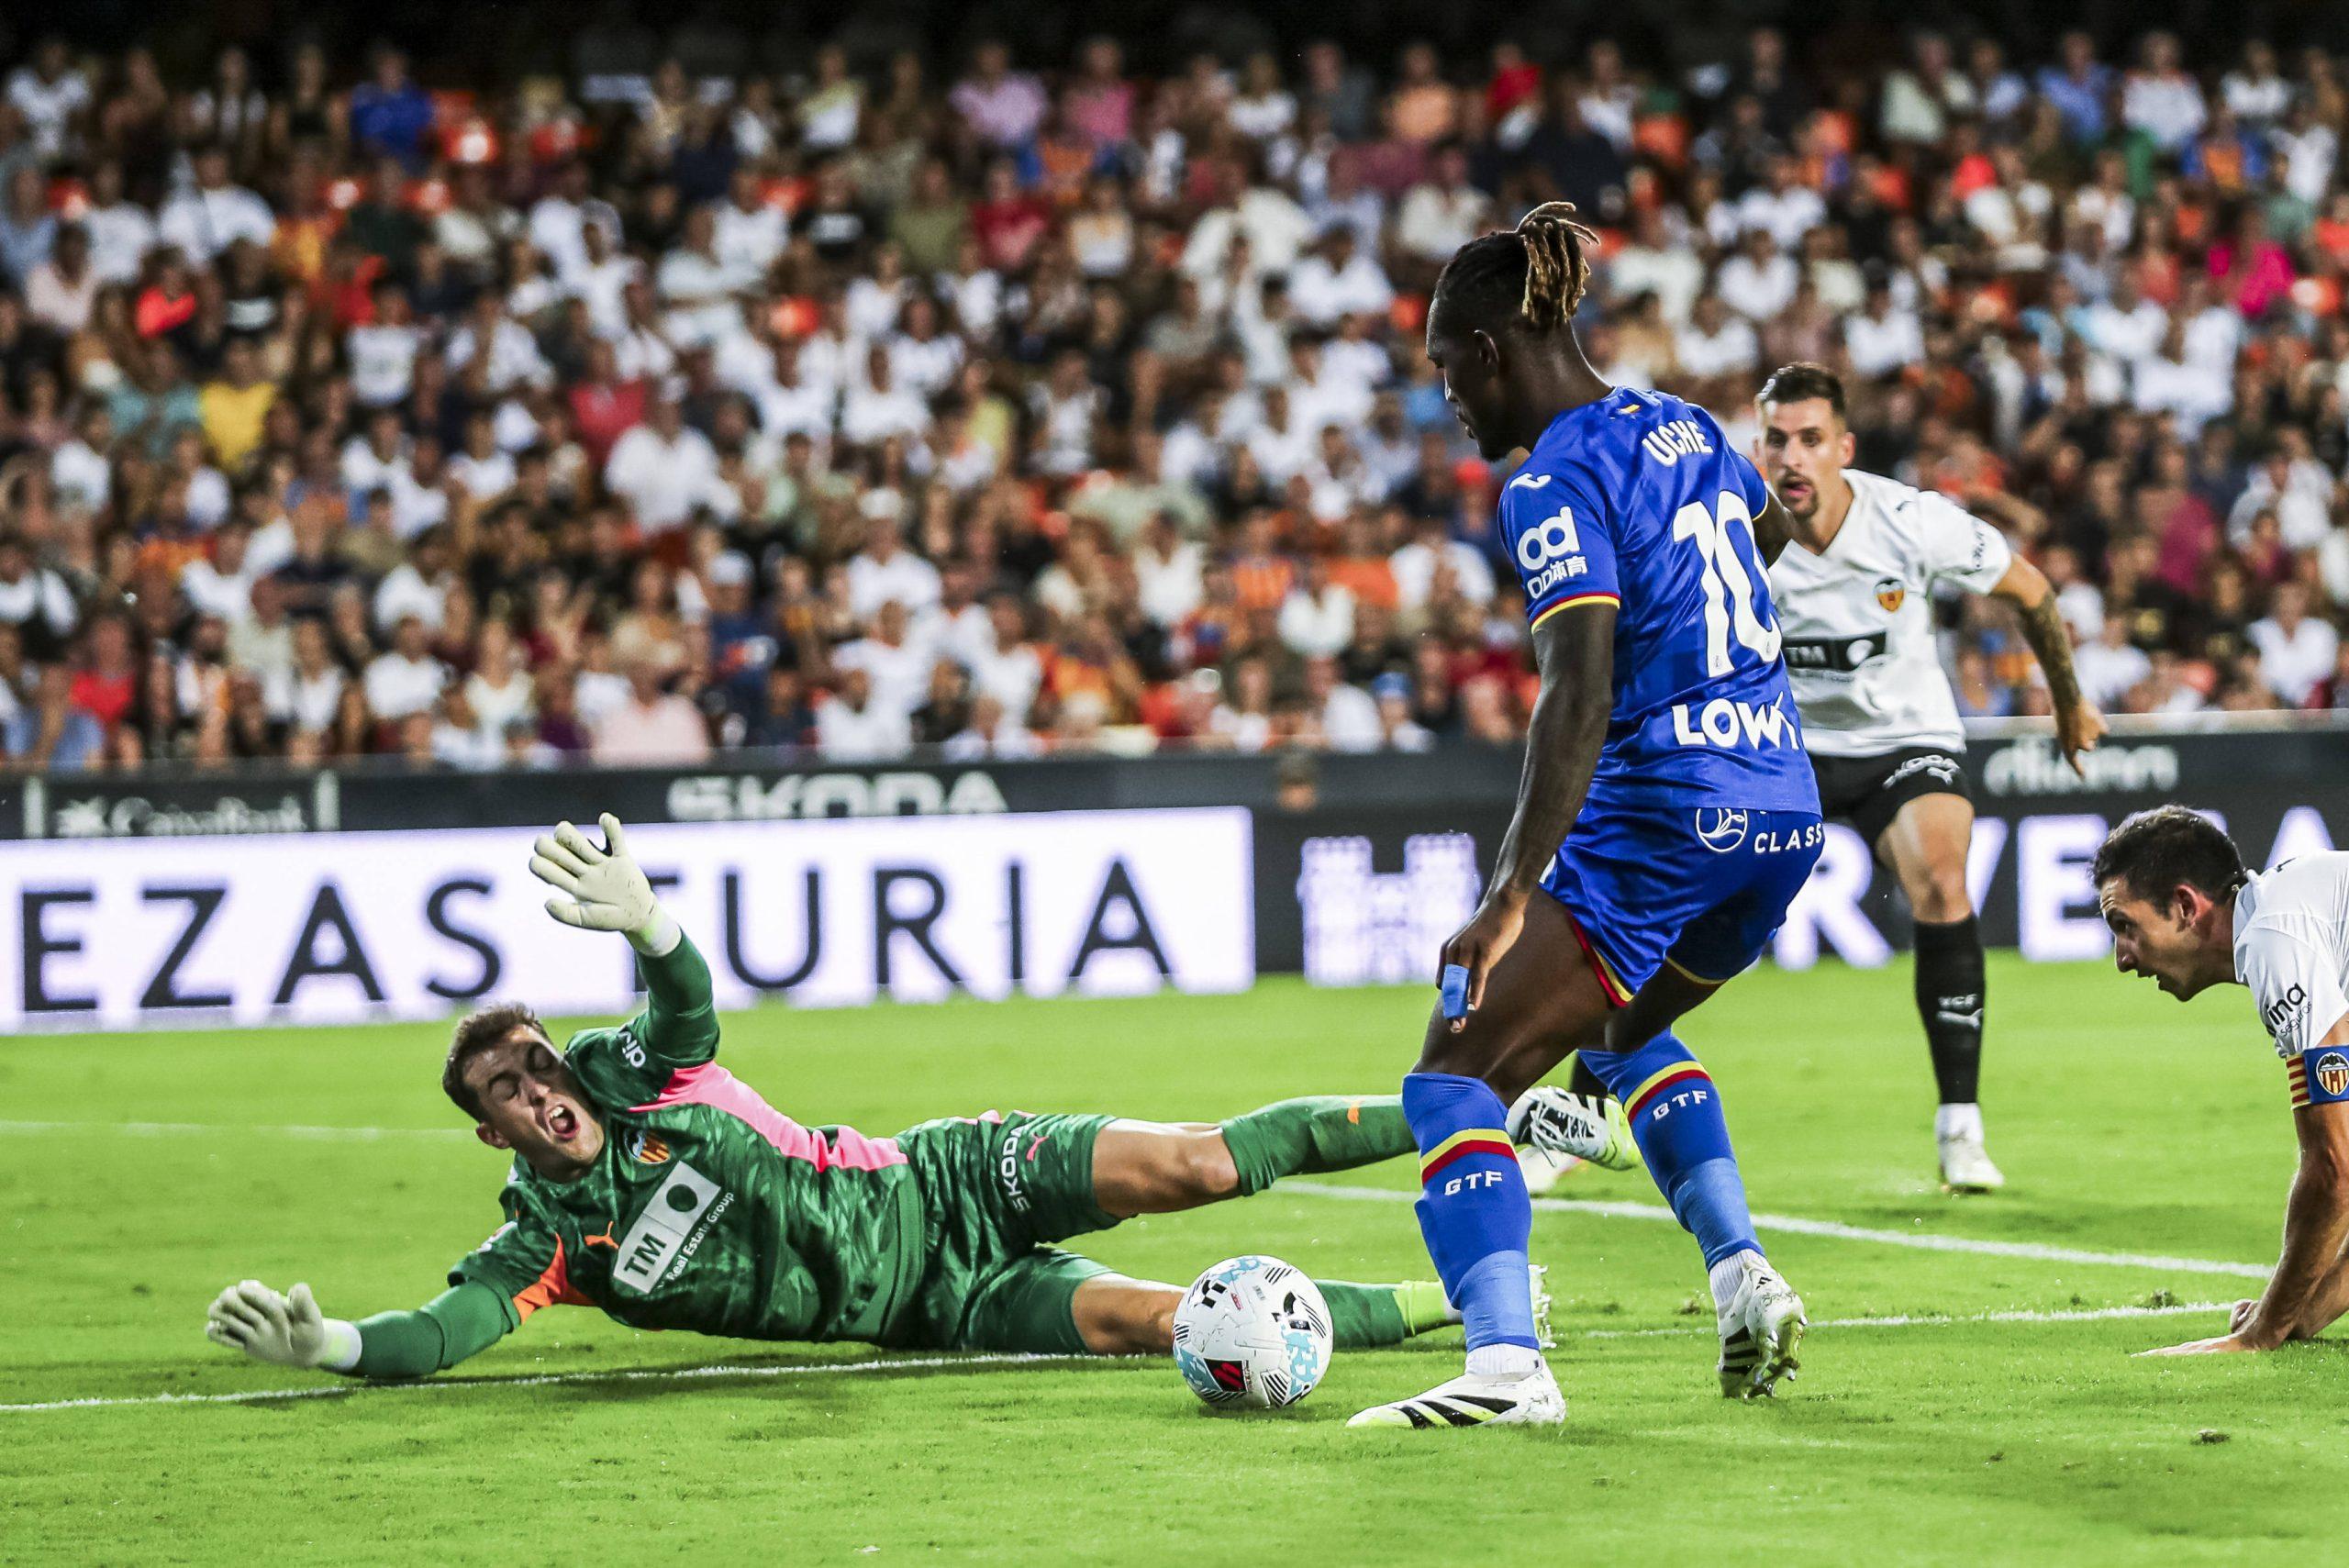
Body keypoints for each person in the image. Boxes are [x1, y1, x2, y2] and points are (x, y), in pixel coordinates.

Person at [204, 816, 1566, 1379]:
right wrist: (336, 1348)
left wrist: (652, 923)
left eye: (538, 1062)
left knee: (1208, 1166)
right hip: (934, 1308)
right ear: (490, 1128)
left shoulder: (635, 1075)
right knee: (1182, 1327)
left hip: (948, 1179)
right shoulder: (544, 1244)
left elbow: (689, 1009)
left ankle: (1483, 1104)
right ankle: (1459, 1306)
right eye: (506, 1089)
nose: (538, 1090)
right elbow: (447, 1329)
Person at [1349, 204, 1820, 1431]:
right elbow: (1769, 533)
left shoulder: (1550, 476)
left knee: (1453, 1074)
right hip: (1781, 811)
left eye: (1450, 370)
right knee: (1607, 1035)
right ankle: (1742, 1275)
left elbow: (1579, 686)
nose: (1449, 399)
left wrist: (1508, 894)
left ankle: (1507, 1368)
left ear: (1493, 352)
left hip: (1666, 810)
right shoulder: (1684, 424)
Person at [1752, 363, 2106, 1190]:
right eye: (1776, 440)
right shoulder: (1731, 533)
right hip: (1781, 747)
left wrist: (2069, 701)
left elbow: (2031, 587)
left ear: (1844, 446)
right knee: (1676, 893)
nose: (1792, 458)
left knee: (1944, 880)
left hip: (1901, 739)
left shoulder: (1910, 521)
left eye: (1810, 440)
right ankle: (1583, 1114)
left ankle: (1961, 1130)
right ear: (1756, 446)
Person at [2092, 808, 2349, 1355]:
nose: (2121, 959)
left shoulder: (2275, 941)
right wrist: (2300, 1313)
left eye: (2125, 927)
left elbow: (2333, 1170)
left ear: (2185, 907)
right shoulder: (2300, 915)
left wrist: (2262, 1335)